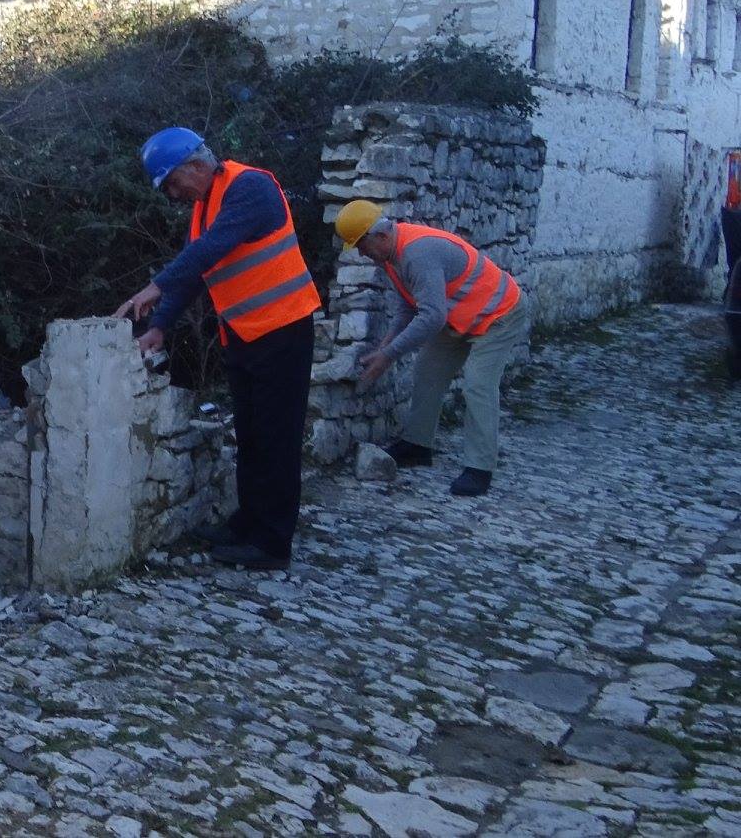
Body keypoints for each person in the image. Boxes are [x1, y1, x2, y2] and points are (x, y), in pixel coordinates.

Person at [116, 128, 320, 570]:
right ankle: (248, 523)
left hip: (283, 330)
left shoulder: (250, 187)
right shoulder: (204, 204)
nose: (173, 194)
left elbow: (211, 248)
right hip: (247, 334)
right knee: (250, 434)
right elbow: (197, 267)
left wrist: (155, 286)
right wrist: (160, 327)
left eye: (172, 183)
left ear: (196, 165)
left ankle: (272, 544)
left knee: (276, 438)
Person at [336, 200, 532, 497]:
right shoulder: (390, 258)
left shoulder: (417, 253)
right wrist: (384, 348)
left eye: (362, 246)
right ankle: (417, 445)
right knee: (427, 372)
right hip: (459, 315)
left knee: (478, 386)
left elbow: (432, 316)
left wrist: (387, 356)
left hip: (499, 314)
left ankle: (480, 469)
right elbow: (406, 310)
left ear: (381, 236)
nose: (362, 254)